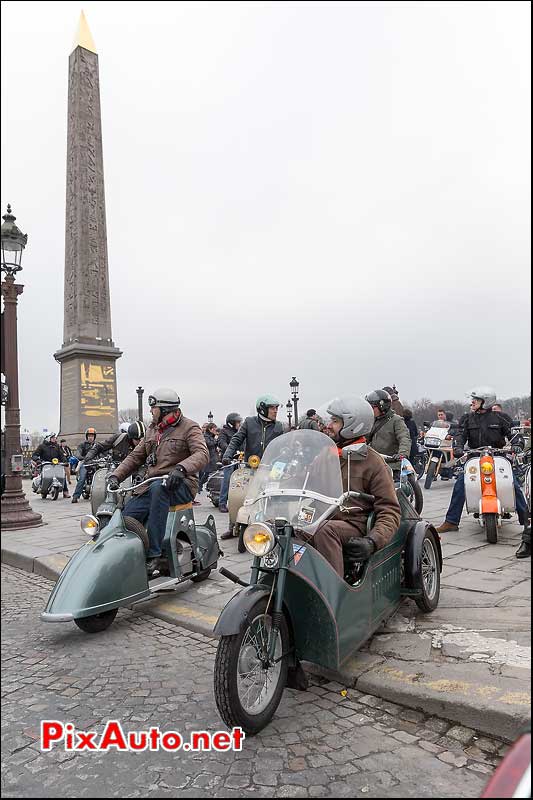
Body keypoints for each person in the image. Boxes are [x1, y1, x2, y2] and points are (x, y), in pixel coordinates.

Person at [106, 388, 209, 575]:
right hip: (154, 484)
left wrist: (181, 468)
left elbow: (202, 454)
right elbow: (135, 456)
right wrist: (116, 476)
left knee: (157, 489)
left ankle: (156, 555)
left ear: (164, 409)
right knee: (127, 514)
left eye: (153, 408)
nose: (151, 412)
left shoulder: (189, 427)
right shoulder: (153, 430)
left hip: (181, 484)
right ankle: (131, 554)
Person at [310, 396, 401, 578]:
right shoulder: (325, 455)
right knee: (285, 531)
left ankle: (333, 592)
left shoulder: (373, 462)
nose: (328, 426)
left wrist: (372, 541)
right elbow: (307, 488)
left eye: (335, 421)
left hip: (355, 523)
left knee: (324, 530)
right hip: (321, 519)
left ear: (353, 424)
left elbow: (390, 510)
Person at [436, 387, 529, 559]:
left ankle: (526, 521)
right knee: (460, 484)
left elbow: (516, 436)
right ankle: (451, 521)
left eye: (476, 399)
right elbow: (459, 435)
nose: (472, 402)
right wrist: (457, 447)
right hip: (475, 456)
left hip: (498, 456)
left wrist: (517, 445)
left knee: (513, 484)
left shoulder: (501, 418)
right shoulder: (467, 418)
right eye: (473, 399)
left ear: (486, 402)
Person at [220, 395, 284, 539]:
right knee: (238, 495)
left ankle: (274, 527)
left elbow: (284, 446)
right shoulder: (249, 422)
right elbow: (237, 439)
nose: (275, 411)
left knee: (274, 498)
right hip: (251, 466)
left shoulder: (279, 426)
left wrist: (285, 461)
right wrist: (227, 455)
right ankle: (233, 526)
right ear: (262, 409)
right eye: (272, 408)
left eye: (276, 408)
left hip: (271, 469)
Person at [365, 390, 411, 468]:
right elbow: (364, 438)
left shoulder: (396, 420)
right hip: (374, 463)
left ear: (382, 406)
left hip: (392, 464)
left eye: (372, 407)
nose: (370, 410)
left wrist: (402, 454)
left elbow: (404, 438)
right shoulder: (372, 420)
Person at [216, 413, 243, 513]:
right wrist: (230, 450)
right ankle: (222, 503)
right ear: (231, 423)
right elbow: (221, 442)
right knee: (227, 480)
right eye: (237, 422)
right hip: (228, 460)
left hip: (239, 459)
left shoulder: (239, 432)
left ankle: (237, 501)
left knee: (241, 481)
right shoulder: (224, 431)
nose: (239, 424)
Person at [71, 428, 97, 503]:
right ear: (86, 436)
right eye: (89, 436)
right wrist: (82, 458)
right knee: (82, 478)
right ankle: (75, 496)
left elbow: (103, 452)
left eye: (92, 436)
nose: (90, 437)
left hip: (95, 463)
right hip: (85, 463)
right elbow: (78, 452)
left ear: (94, 437)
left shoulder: (97, 445)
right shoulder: (82, 445)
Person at [198, 423, 219, 496]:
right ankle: (199, 485)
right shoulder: (205, 436)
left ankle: (204, 485)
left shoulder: (211, 436)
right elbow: (209, 444)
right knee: (206, 473)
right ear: (210, 429)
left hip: (213, 456)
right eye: (214, 429)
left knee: (211, 472)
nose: (215, 431)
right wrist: (216, 440)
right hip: (208, 456)